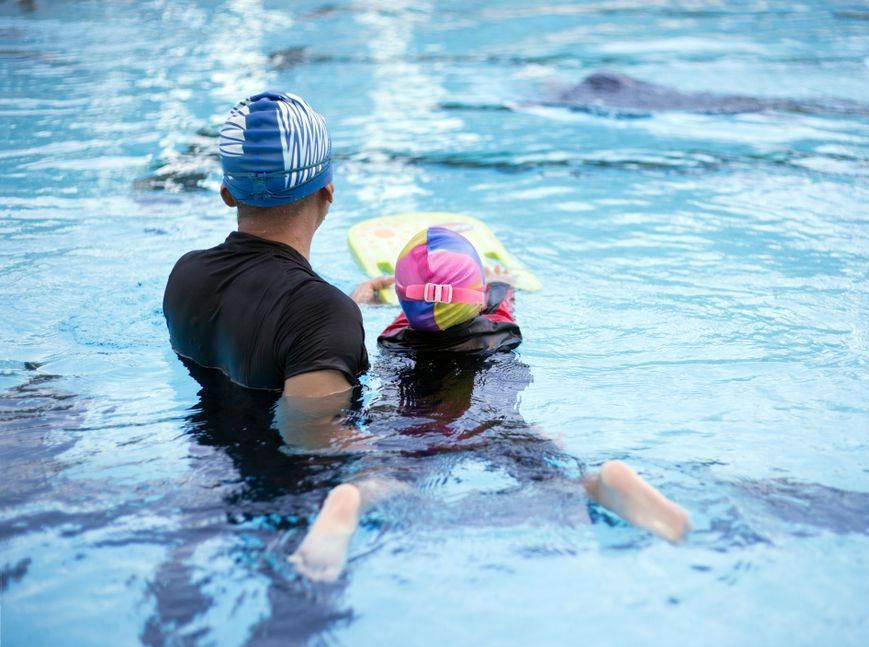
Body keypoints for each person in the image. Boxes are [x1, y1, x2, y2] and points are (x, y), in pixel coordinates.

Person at [290, 227, 691, 581]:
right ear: (478, 295)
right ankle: (599, 484)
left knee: (387, 473)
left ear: (403, 300)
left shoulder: (397, 332)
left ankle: (352, 500)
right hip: (494, 420)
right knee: (546, 470)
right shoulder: (496, 316)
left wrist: (364, 298)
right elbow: (497, 292)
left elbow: (399, 311)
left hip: (412, 422)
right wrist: (501, 282)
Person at [163, 90, 391, 398]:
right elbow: (315, 442)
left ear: (227, 195)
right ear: (328, 192)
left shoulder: (185, 274)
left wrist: (349, 310)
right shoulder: (324, 314)